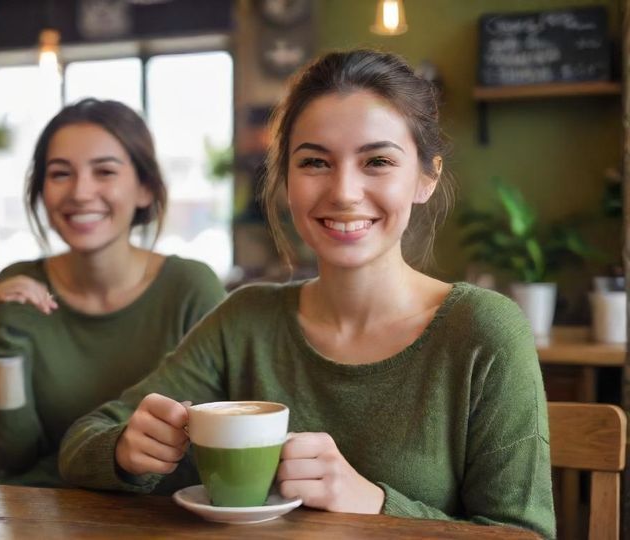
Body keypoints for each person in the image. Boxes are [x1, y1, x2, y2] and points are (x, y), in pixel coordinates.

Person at [59, 50, 555, 538]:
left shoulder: (483, 330)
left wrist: (375, 506)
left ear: (426, 177)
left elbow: (524, 534)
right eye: (315, 162)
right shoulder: (246, 319)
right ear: (286, 180)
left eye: (377, 160)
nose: (343, 192)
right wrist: (127, 449)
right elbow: (84, 443)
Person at [0, 98, 226, 487]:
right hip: (35, 511)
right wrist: (8, 338)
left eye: (104, 171)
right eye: (60, 173)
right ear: (41, 191)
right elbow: (10, 453)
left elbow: (209, 446)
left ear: (145, 189)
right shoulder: (17, 290)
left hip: (155, 518)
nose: (81, 192)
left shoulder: (191, 288)